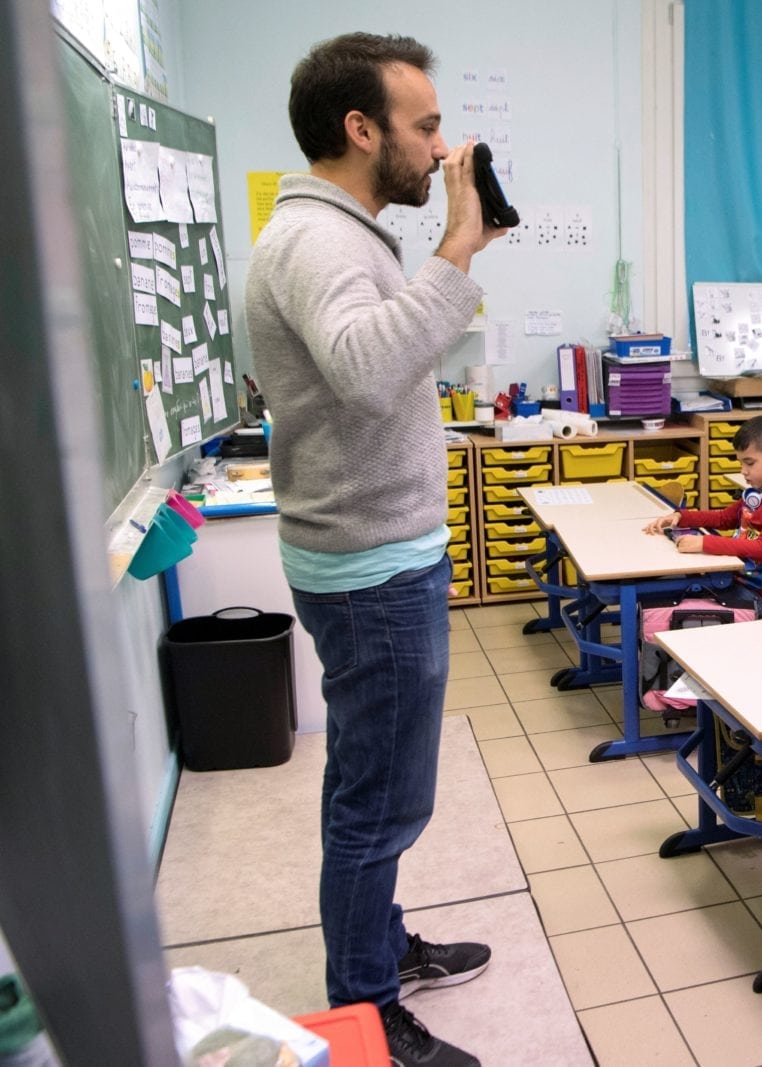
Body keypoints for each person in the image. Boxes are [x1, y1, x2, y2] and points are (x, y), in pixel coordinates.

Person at [245, 33, 503, 1067]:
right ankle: (363, 1004)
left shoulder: (340, 232)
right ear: (361, 129)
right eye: (425, 125)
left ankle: (379, 942)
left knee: (372, 781)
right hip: (372, 569)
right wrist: (459, 245)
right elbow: (364, 369)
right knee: (379, 802)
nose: (442, 147)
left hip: (377, 554)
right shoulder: (319, 241)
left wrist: (445, 252)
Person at [642, 416, 762, 616]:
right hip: (732, 580)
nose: (743, 471)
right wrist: (681, 517)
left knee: (672, 609)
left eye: (750, 463)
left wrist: (704, 543)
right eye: (741, 463)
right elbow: (724, 518)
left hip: (756, 596)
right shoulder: (758, 493)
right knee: (662, 595)